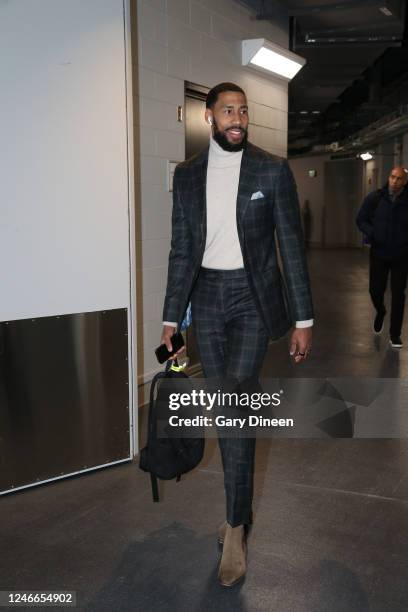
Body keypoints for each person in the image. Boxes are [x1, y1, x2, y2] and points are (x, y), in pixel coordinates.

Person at [160, 82, 314, 586]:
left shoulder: (271, 169)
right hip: (206, 299)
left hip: (252, 300)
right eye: (228, 110)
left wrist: (303, 319)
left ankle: (236, 527)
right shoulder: (187, 176)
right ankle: (237, 515)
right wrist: (170, 318)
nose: (237, 118)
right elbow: (182, 249)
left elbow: (290, 245)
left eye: (243, 111)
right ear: (209, 117)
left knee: (232, 407)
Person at [356, 166, 408, 348]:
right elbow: (360, 219)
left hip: (401, 256)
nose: (395, 181)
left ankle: (395, 334)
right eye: (393, 177)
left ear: (405, 181)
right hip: (379, 253)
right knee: (375, 290)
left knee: (398, 295)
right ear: (389, 177)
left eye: (399, 178)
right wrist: (373, 233)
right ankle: (380, 311)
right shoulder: (376, 198)